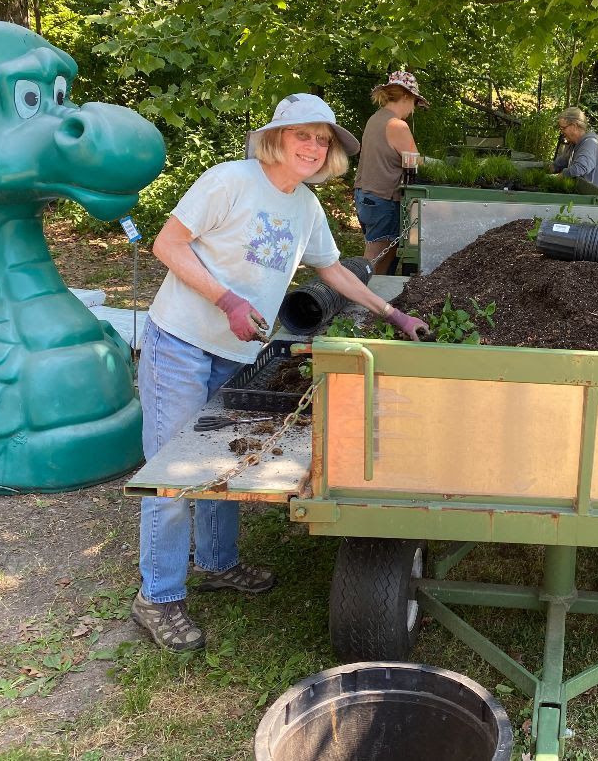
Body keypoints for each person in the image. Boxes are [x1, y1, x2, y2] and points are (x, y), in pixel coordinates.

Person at [133, 93, 428, 652]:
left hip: (237, 353)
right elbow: (167, 245)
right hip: (181, 343)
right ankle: (158, 596)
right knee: (171, 472)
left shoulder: (305, 207)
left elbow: (334, 270)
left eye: (323, 140)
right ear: (276, 138)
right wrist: (228, 300)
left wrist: (392, 311)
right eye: (304, 135)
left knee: (219, 461)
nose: (314, 148)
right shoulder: (230, 181)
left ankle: (217, 563)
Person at [355, 71, 429, 274]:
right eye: (414, 102)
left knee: (375, 258)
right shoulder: (397, 125)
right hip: (383, 200)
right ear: (406, 96)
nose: (413, 109)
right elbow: (416, 162)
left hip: (365, 196)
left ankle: (366, 299)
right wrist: (444, 166)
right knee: (378, 263)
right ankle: (361, 302)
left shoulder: (375, 118)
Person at [551, 107, 598, 187]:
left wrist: (560, 177)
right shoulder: (573, 144)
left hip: (589, 197)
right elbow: (562, 162)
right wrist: (549, 168)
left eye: (563, 128)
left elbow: (580, 168)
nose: (562, 132)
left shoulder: (590, 143)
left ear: (574, 126)